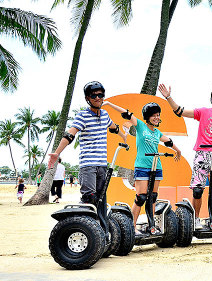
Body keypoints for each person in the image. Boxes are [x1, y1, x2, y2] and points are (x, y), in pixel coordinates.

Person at [158, 83, 212, 229]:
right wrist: (168, 97)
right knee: (198, 189)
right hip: (202, 153)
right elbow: (179, 111)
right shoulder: (203, 112)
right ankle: (196, 218)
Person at [48, 81, 127, 232]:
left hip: (102, 165)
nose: (98, 98)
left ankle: (102, 232)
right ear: (88, 98)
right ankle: (86, 230)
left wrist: (123, 135)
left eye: (100, 95)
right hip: (88, 166)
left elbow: (113, 127)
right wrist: (57, 153)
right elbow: (69, 135)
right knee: (89, 198)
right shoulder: (82, 116)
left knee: (101, 200)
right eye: (94, 95)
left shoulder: (105, 114)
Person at [104, 100, 182, 234]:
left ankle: (151, 225)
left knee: (152, 197)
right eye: (154, 115)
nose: (157, 117)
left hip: (156, 167)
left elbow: (169, 141)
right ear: (147, 117)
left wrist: (178, 151)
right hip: (142, 166)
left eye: (158, 115)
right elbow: (126, 113)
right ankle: (132, 227)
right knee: (141, 197)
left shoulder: (157, 133)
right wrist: (110, 104)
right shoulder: (140, 126)